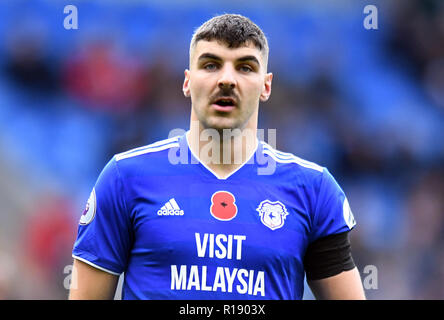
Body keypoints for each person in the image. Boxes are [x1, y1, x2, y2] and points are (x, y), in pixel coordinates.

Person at [69, 13, 365, 300]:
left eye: (245, 67)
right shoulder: (125, 178)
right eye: (211, 65)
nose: (226, 79)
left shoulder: (313, 189)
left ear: (266, 85)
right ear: (187, 81)